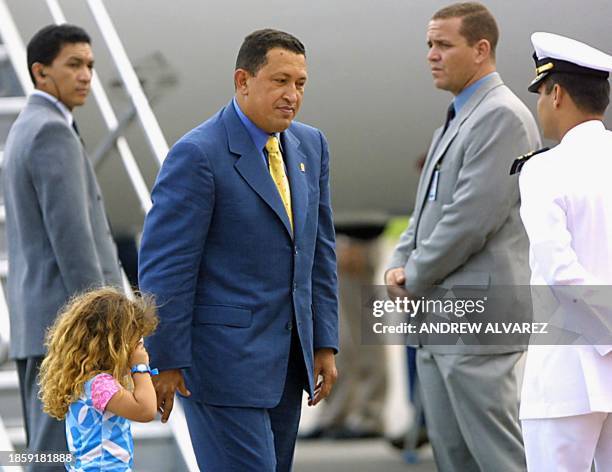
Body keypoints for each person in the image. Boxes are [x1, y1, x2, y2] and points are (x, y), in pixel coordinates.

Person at [138, 28, 339, 471]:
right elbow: (166, 268)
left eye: (300, 84)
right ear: (242, 81)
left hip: (287, 368)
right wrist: (165, 360)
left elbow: (318, 252)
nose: (292, 95)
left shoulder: (311, 146)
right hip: (220, 371)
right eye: (280, 81)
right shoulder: (198, 154)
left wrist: (324, 342)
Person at [385, 3, 540, 471]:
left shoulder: (502, 117)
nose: (432, 55)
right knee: (454, 459)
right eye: (429, 45)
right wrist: (398, 259)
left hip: (475, 328)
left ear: (481, 49)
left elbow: (470, 220)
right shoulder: (456, 118)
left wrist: (412, 274)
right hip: (442, 322)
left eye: (443, 45)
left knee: (496, 458)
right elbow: (426, 211)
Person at [2, 24, 122, 465]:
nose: (86, 75)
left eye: (90, 65)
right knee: (59, 457)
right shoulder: (51, 132)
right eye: (74, 64)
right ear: (40, 72)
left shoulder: (24, 128)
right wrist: (106, 327)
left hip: (39, 324)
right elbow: (74, 242)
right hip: (68, 328)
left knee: (49, 456)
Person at [516, 32, 612, 471]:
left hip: (566, 376)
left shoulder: (545, 169)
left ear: (556, 94)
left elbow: (560, 273)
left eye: (540, 93)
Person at [39, 287, 158, 471]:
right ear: (112, 344)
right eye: (134, 342)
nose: (138, 349)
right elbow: (146, 410)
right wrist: (140, 367)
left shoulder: (84, 382)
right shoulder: (100, 384)